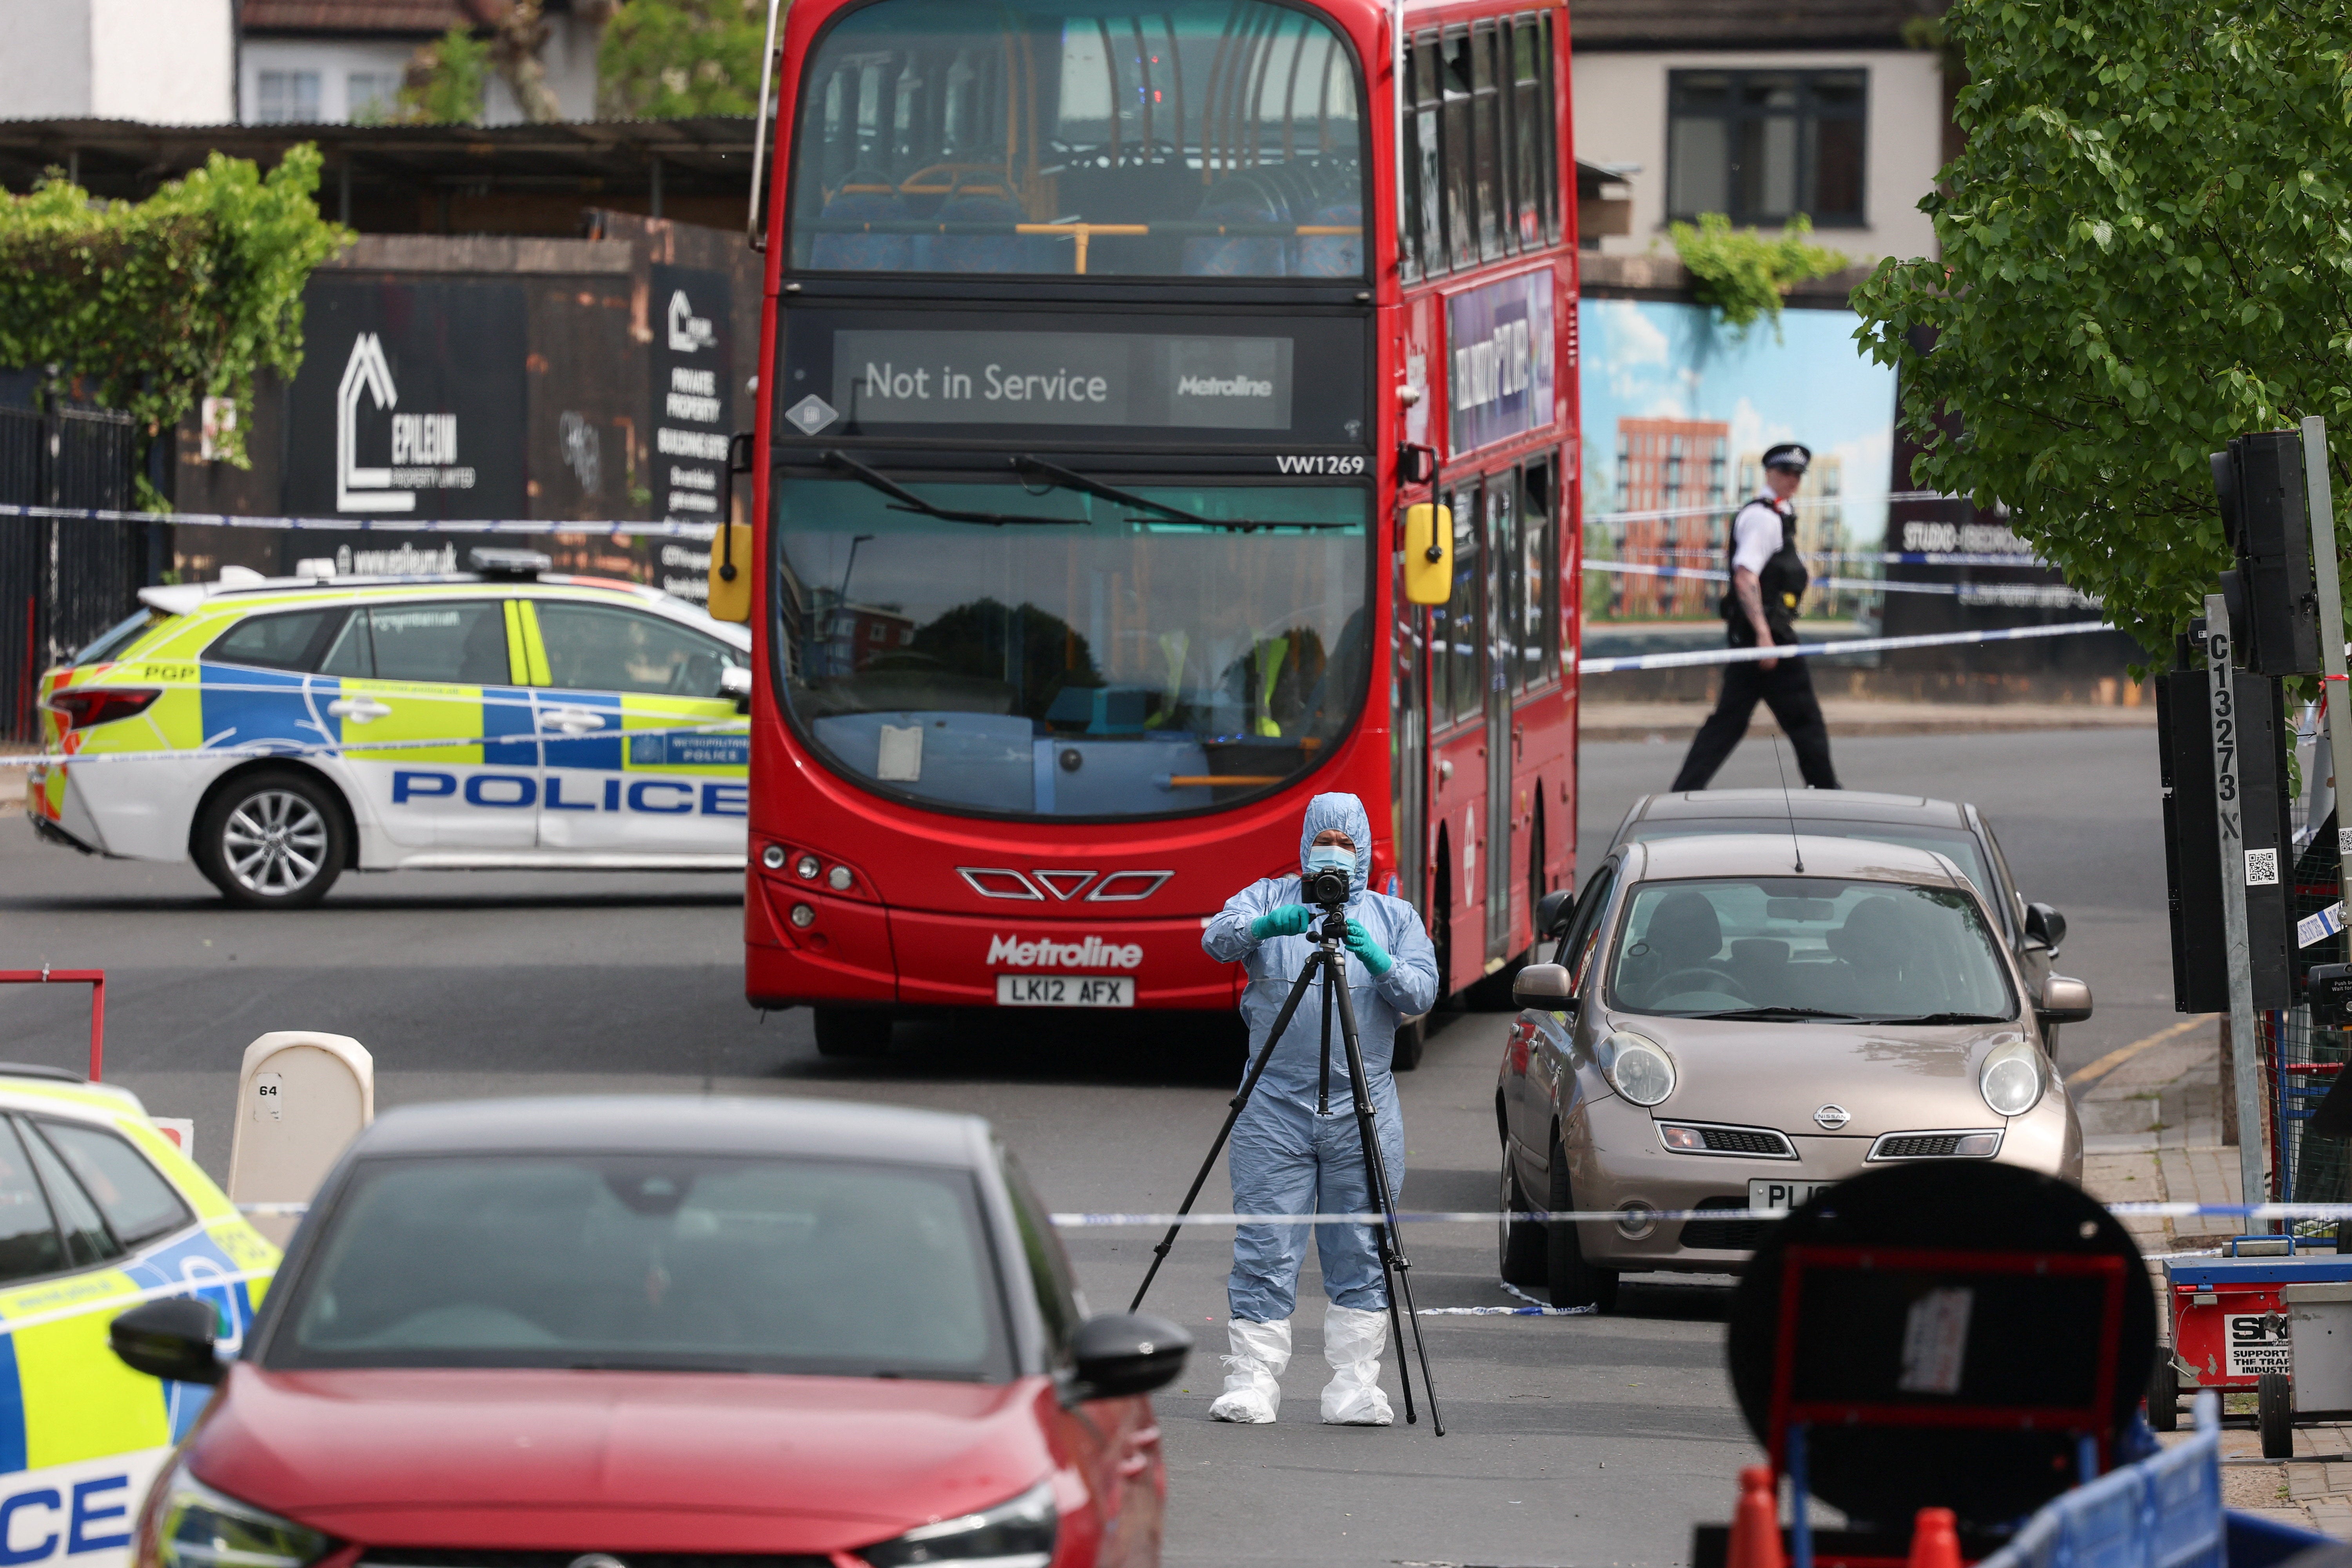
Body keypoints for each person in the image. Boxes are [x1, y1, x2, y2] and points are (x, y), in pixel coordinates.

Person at [1198, 793, 1438, 1425]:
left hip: (1363, 1109)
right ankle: (1252, 1380)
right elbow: (1214, 940)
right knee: (1266, 1246)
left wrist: (1377, 959)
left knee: (1361, 1246)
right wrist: (1262, 928)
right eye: (1323, 840)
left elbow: (1421, 990)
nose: (1333, 854)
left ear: (1363, 850)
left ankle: (1355, 1386)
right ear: (1305, 844)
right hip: (1275, 1107)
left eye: (1346, 842)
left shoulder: (1393, 917)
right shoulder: (1268, 898)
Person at [1670, 442, 1841, 792]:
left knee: (1729, 723)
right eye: (1786, 472)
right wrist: (1764, 637)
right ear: (1770, 473)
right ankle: (1827, 793)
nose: (1793, 479)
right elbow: (1746, 576)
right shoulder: (1763, 518)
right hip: (1768, 641)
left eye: (1798, 474)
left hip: (1761, 639)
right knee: (1805, 722)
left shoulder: (1779, 514)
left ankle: (1683, 792)